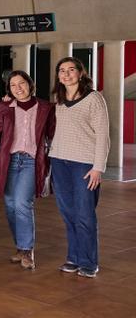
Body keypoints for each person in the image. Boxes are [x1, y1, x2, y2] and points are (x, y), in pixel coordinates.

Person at [49, 57, 109, 279]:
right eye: (61, 70)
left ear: (81, 73)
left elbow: (103, 135)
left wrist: (98, 167)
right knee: (68, 213)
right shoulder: (60, 99)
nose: (66, 74)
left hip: (84, 164)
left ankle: (88, 262)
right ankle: (73, 258)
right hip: (59, 161)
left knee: (85, 214)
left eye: (71, 70)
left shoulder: (94, 98)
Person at [0, 71, 55, 270]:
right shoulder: (7, 107)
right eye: (13, 85)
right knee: (10, 205)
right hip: (9, 160)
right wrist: (1, 108)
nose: (18, 88)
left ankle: (28, 250)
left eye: (22, 83)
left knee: (22, 203)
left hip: (31, 161)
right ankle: (20, 247)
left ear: (30, 84)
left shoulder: (45, 107)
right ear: (9, 89)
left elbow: (53, 133)